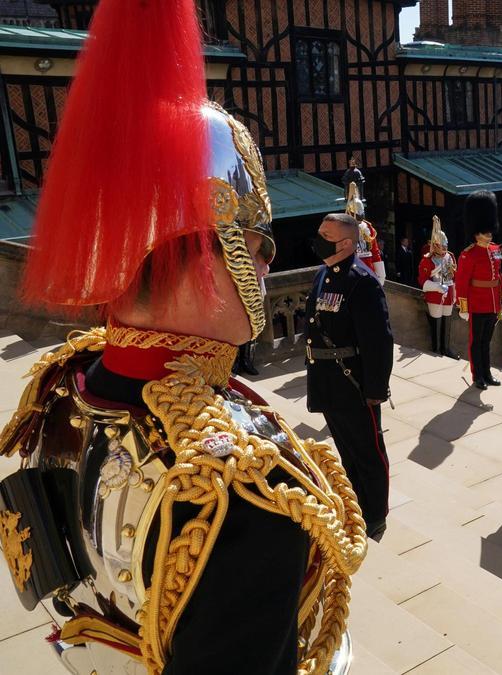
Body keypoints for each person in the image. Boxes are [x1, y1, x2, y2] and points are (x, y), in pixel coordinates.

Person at [0, 4, 364, 667]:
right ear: (203, 259)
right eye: (255, 243)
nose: (267, 261)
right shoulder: (242, 496)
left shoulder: (58, 386)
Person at [307, 212, 395, 542]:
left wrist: (375, 388)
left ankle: (375, 515)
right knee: (347, 451)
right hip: (329, 382)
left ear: (345, 243)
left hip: (355, 383)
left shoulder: (363, 282)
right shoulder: (324, 273)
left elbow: (379, 341)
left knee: (369, 453)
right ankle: (355, 505)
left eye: (325, 235)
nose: (318, 239)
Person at [455, 190, 502, 389]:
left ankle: (487, 373)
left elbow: (499, 277)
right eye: (485, 231)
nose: (489, 234)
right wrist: (464, 306)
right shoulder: (469, 254)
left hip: (492, 302)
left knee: (486, 342)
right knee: (476, 342)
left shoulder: (495, 250)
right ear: (476, 232)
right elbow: (462, 281)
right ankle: (477, 376)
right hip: (477, 303)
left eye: (489, 230)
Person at [418, 216, 458, 359]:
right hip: (435, 294)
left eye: (446, 246)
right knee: (437, 320)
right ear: (435, 245)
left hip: (449, 291)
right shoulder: (427, 260)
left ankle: (446, 348)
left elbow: (454, 276)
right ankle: (436, 349)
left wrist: (456, 295)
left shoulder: (450, 256)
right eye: (443, 246)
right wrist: (436, 287)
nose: (445, 249)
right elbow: (423, 281)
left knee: (447, 319)